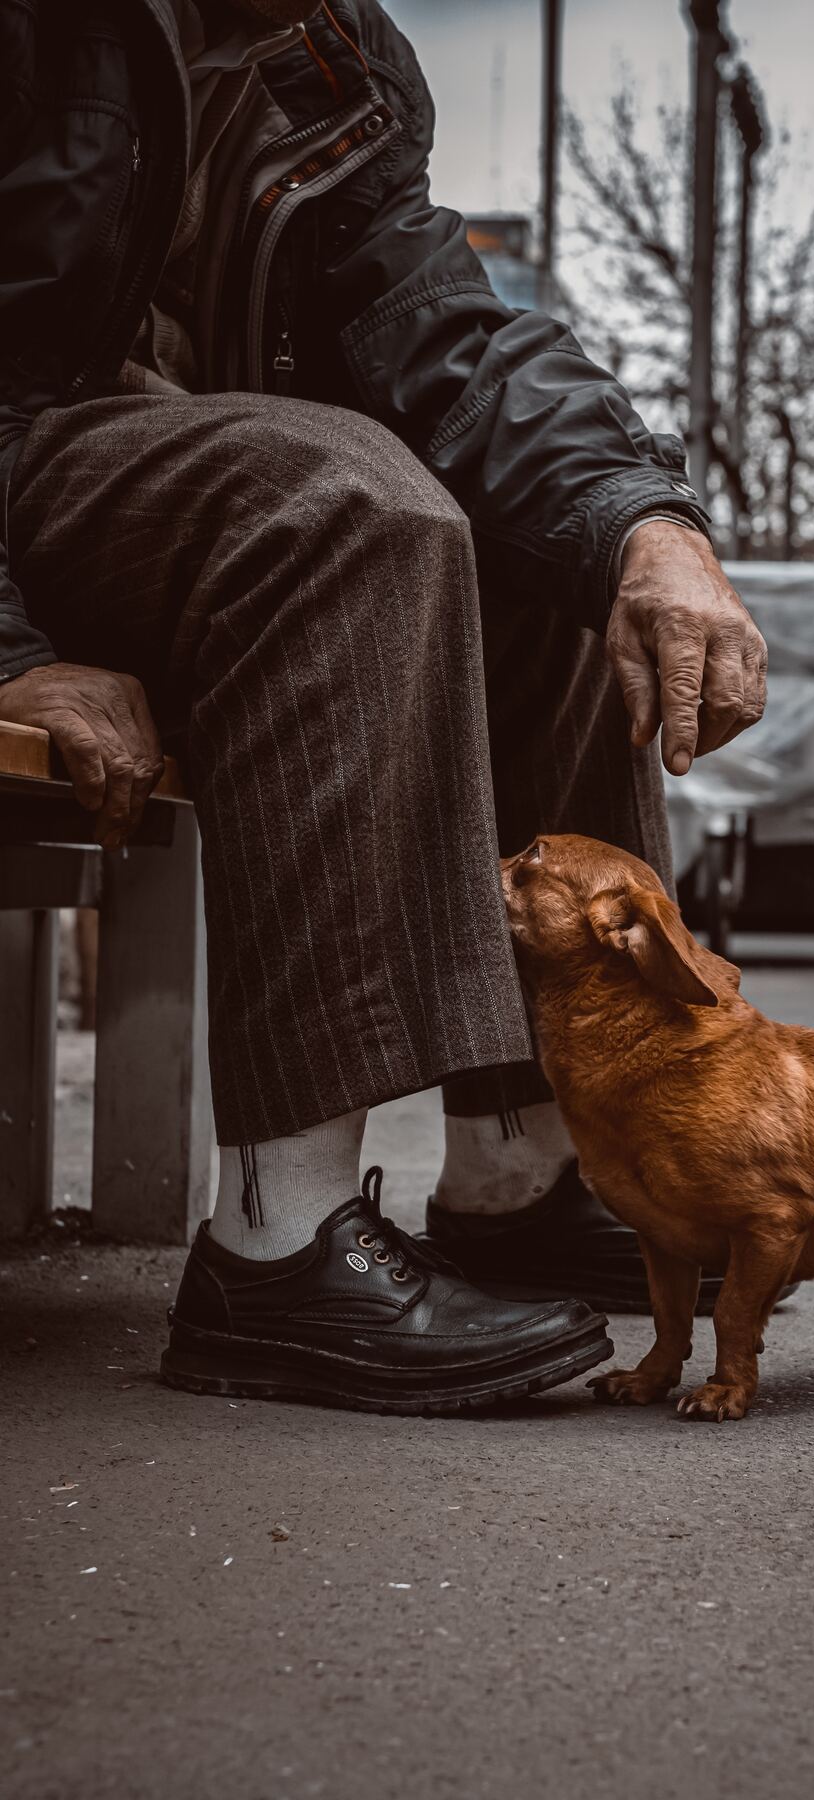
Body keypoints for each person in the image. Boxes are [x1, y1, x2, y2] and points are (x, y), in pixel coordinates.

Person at [0, 0, 767, 1412]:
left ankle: (518, 1173)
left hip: (161, 500)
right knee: (349, 503)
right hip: (28, 483)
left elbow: (452, 340)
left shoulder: (314, 47)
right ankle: (274, 1247)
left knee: (548, 564)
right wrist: (8, 649)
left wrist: (643, 525)